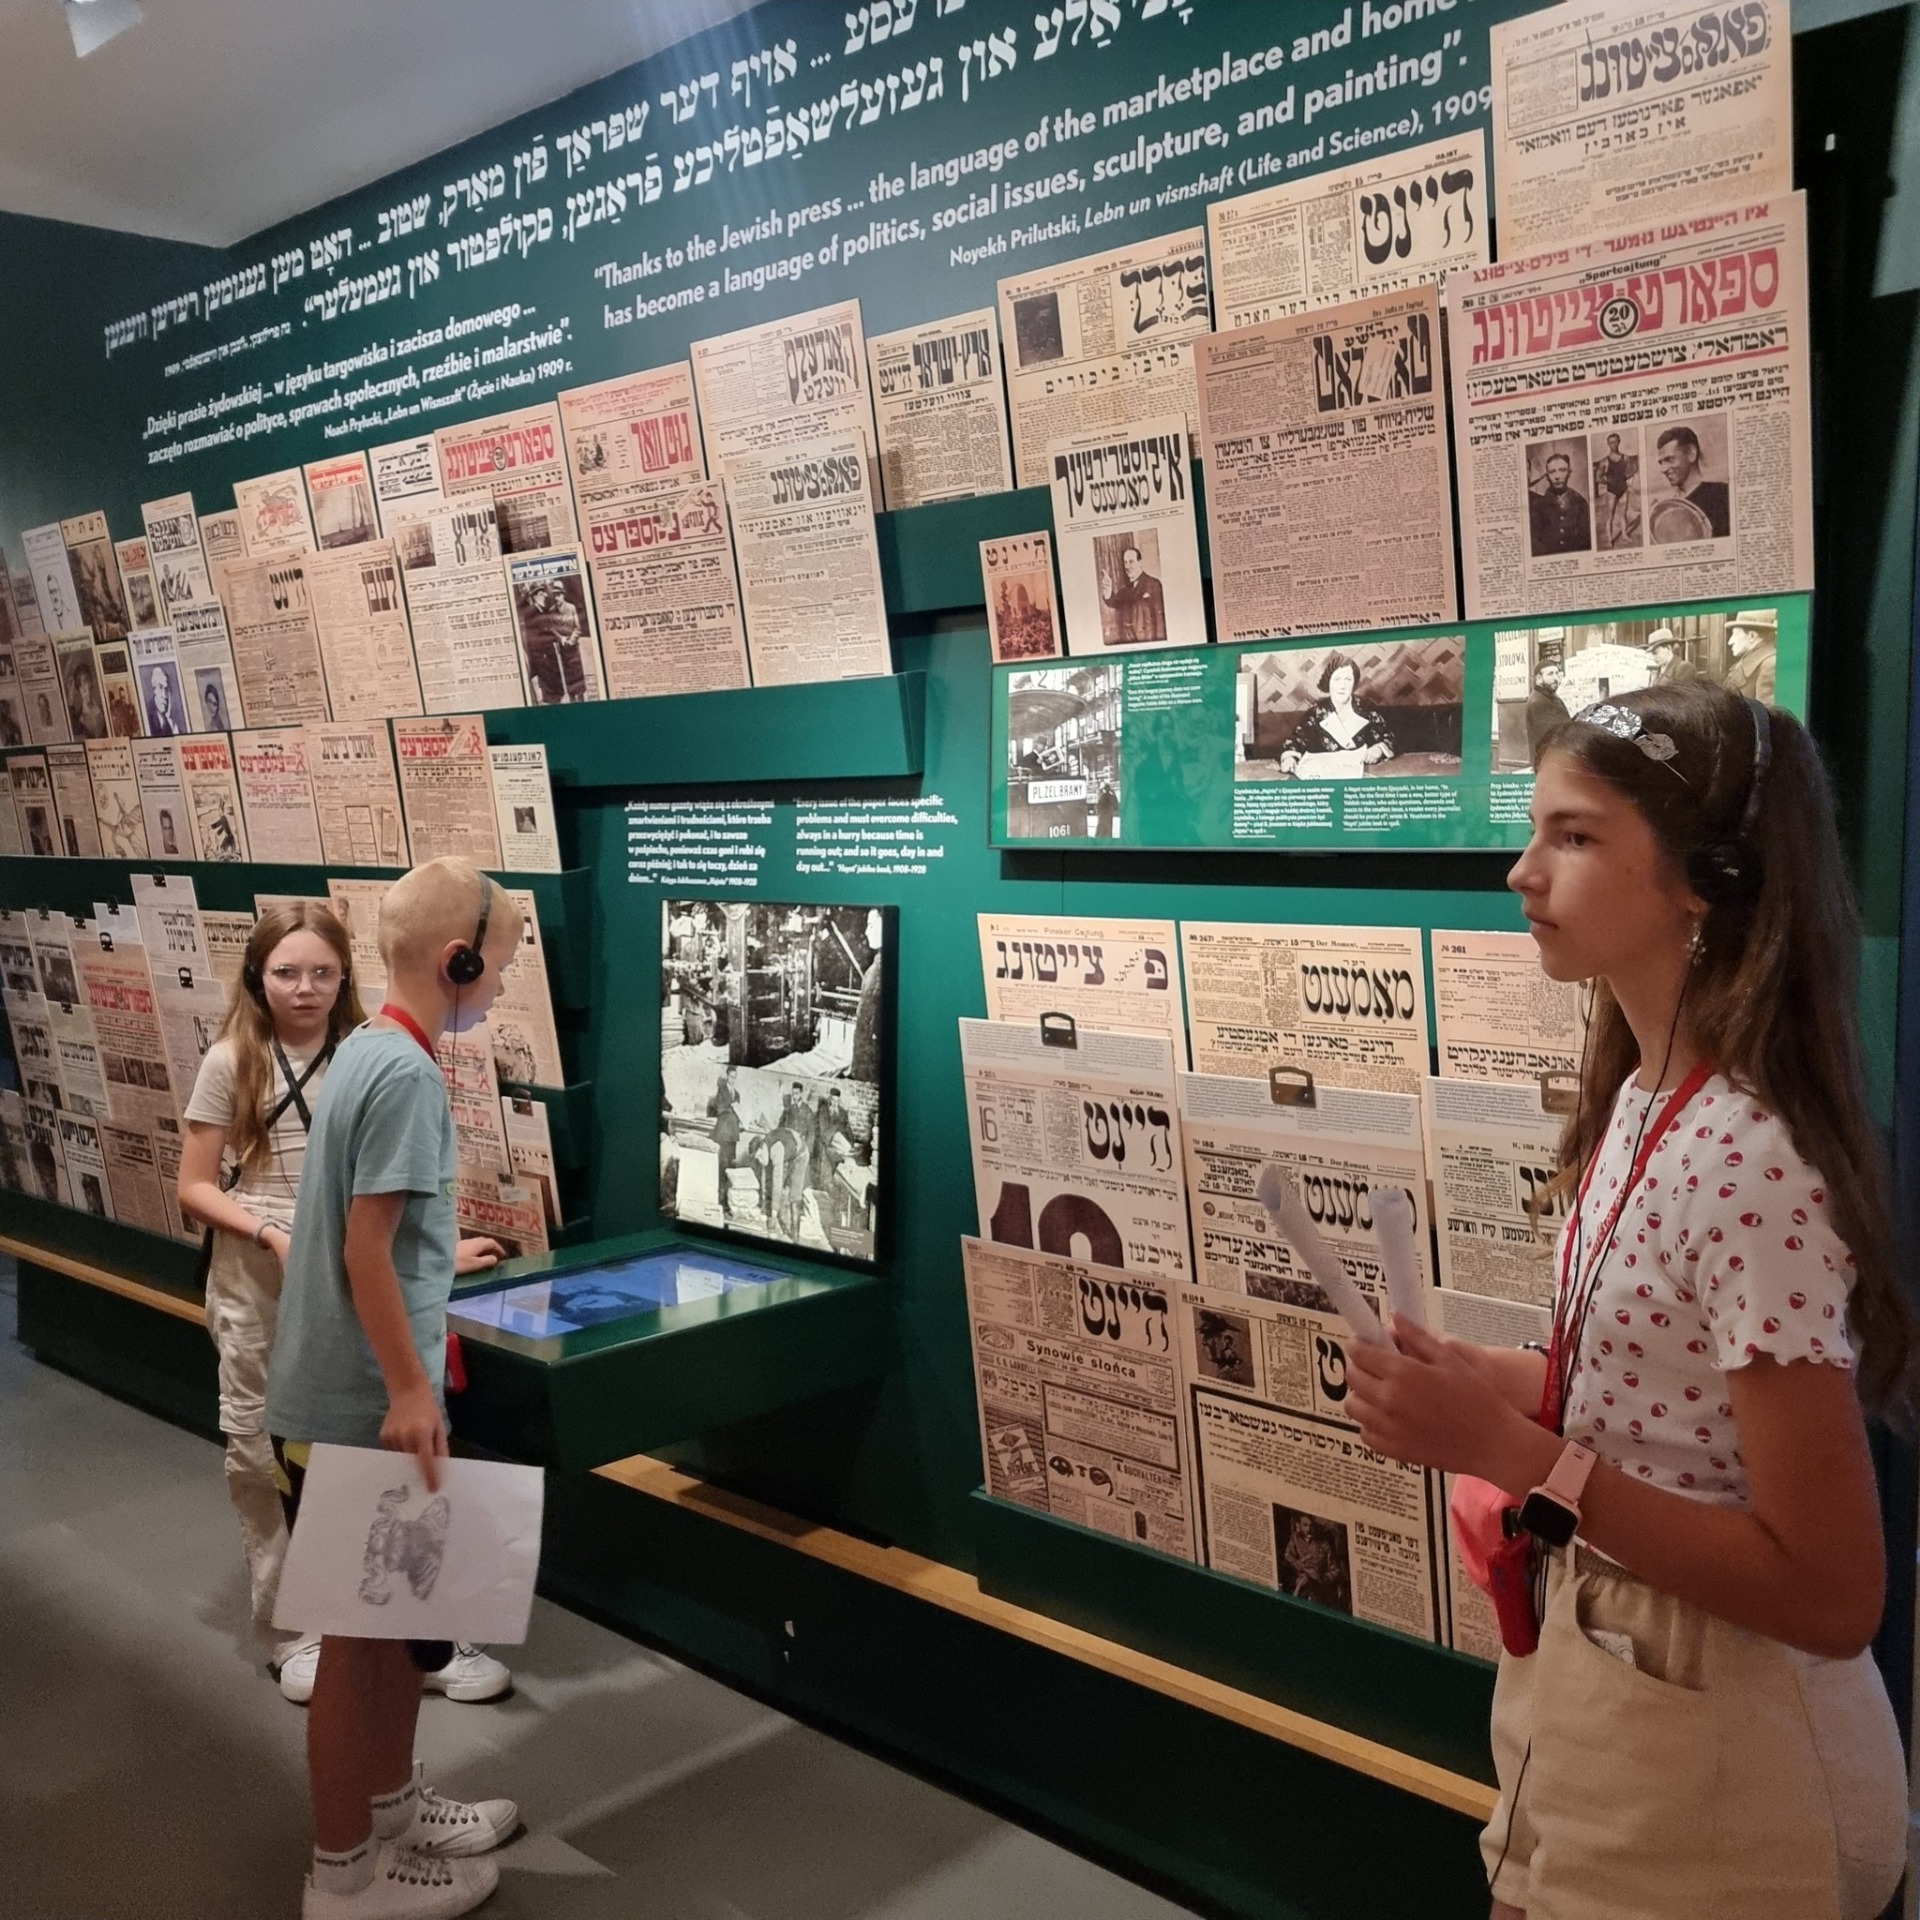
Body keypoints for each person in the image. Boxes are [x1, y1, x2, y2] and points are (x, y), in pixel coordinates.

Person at [1345, 680, 1910, 1920]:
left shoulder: (1754, 1160)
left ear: (1706, 879)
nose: (1522, 871)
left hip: (1727, 1745)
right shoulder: (1647, 1100)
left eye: (1575, 835)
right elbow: (1663, 1399)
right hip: (1616, 1679)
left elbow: (1832, 1594)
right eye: (1535, 829)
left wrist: (1515, 1453)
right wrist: (1484, 1384)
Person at [264, 859, 523, 1918]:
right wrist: (412, 1391)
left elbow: (374, 1230)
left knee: (398, 1626)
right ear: (457, 959)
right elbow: (364, 1249)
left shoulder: (370, 1048)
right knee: (359, 1645)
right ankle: (343, 1878)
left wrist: (436, 1258)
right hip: (357, 1407)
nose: (500, 985)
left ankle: (391, 1810)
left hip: (347, 1395)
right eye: (498, 966)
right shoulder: (408, 1075)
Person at [179, 901, 514, 1712]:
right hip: (260, 1274)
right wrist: (269, 1232)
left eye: (322, 973)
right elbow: (194, 1184)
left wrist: (434, 1253)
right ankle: (297, 1628)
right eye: (286, 973)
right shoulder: (234, 1060)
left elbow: (376, 1207)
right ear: (257, 977)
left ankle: (406, 1631)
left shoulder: (365, 1051)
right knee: (263, 1451)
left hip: (342, 1266)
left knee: (369, 1451)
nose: (305, 989)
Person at [1279, 653, 1396, 775]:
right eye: (1337, 679)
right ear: (1328, 682)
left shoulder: (1366, 707)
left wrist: (1378, 749)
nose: (1342, 686)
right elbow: (1296, 740)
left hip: (1361, 774)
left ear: (1354, 683)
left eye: (1348, 679)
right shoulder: (1317, 711)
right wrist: (1289, 758)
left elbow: (1389, 736)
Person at [1653, 424, 1732, 539]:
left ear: (1691, 454)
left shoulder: (1723, 495)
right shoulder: (1668, 508)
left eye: (1670, 459)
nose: (1663, 469)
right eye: (1661, 463)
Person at [1100, 543, 1167, 644]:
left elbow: (1160, 618)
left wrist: (1160, 644)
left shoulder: (1153, 584)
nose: (1127, 566)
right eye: (1125, 563)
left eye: (1131, 562)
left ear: (1140, 563)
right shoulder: (1124, 590)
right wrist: (1108, 590)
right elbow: (1113, 602)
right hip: (1128, 640)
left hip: (1147, 639)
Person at [1528, 452, 1591, 555]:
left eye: (1562, 470)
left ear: (1569, 473)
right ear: (1547, 476)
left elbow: (1586, 540)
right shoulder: (1538, 505)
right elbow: (1535, 541)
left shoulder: (1580, 502)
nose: (1557, 476)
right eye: (1552, 472)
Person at [1724, 607, 1777, 703]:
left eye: (1735, 634)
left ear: (1752, 636)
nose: (1730, 642)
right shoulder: (1743, 663)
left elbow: (1767, 710)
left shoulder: (1770, 664)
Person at [1594, 433, 1635, 547]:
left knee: (1623, 514)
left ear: (1619, 442)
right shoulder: (1605, 461)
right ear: (1608, 444)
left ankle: (1624, 535)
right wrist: (1608, 481)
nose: (1614, 444)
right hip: (1612, 491)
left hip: (1623, 489)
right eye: (1611, 442)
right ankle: (1610, 539)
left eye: (1615, 442)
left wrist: (1625, 477)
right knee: (1610, 516)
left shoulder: (1625, 458)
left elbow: (1632, 470)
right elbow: (1598, 478)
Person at [1525, 659, 1571, 759]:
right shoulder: (1539, 702)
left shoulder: (1548, 697)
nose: (1555, 678)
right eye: (1550, 674)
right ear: (1539, 678)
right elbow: (1551, 737)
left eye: (1557, 673)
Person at [146, 664, 185, 735]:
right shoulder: (147, 715)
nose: (164, 696)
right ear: (154, 689)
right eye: (160, 687)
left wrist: (171, 723)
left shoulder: (170, 719)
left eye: (166, 689)